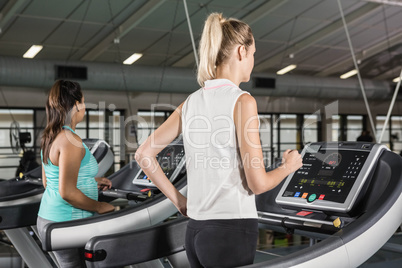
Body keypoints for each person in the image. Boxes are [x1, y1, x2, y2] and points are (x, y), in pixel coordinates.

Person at [135, 13, 302, 268]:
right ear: (241, 51)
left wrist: (180, 202)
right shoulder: (243, 101)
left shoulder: (190, 102)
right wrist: (288, 167)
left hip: (195, 232)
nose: (253, 61)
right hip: (230, 232)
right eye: (253, 53)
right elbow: (257, 183)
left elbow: (144, 154)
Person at [37, 80, 115, 268]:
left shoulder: (51, 136)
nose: (85, 106)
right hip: (66, 222)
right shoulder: (70, 139)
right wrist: (99, 206)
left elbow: (49, 182)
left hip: (50, 218)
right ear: (76, 104)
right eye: (83, 101)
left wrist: (90, 181)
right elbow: (67, 192)